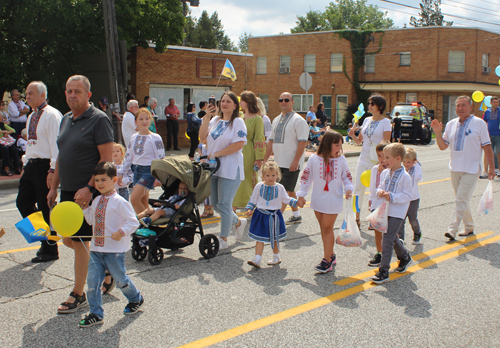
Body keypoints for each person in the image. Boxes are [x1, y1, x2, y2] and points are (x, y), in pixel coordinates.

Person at [47, 75, 114, 314]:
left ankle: (78, 293)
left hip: (88, 193)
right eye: (68, 91)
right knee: (68, 239)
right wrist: (54, 186)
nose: (72, 95)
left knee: (81, 243)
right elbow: (62, 156)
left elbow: (106, 158)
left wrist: (90, 187)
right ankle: (105, 269)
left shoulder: (99, 120)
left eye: (77, 91)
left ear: (88, 95)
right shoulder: (66, 119)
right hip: (67, 191)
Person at [78, 162, 143, 328]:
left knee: (121, 280)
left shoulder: (120, 202)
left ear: (114, 180)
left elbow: (133, 222)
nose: (99, 183)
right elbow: (91, 221)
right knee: (92, 283)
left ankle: (135, 298)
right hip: (96, 250)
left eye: (103, 180)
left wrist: (121, 232)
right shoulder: (96, 200)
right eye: (97, 180)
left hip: (114, 251)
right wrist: (85, 209)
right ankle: (96, 313)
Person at [431, 95, 495, 240]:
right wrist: (438, 133)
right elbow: (443, 146)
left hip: (472, 169)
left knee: (460, 199)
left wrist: (491, 167)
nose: (460, 108)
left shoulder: (479, 124)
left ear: (470, 107)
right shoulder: (451, 124)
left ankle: (452, 229)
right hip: (455, 168)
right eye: (458, 105)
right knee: (462, 200)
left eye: (463, 105)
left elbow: (487, 146)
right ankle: (469, 226)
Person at [16, 81, 62, 263]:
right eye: (26, 93)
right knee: (23, 203)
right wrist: (25, 163)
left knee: (45, 208)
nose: (27, 96)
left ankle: (50, 250)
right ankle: (43, 239)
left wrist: (53, 169)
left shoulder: (52, 115)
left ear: (43, 95)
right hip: (32, 165)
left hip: (45, 166)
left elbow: (56, 146)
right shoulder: (32, 116)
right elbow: (31, 144)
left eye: (31, 93)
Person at [296, 131, 354, 273]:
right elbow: (306, 177)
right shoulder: (314, 159)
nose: (339, 148)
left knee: (327, 228)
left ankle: (326, 260)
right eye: (336, 145)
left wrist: (349, 188)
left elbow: (346, 176)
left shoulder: (341, 160)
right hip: (318, 199)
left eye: (340, 145)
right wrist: (301, 194)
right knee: (323, 228)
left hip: (333, 199)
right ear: (327, 144)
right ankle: (331, 255)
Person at [199, 92, 248, 250]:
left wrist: (217, 154)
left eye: (228, 101)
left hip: (230, 169)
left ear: (235, 105)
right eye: (223, 101)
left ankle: (223, 238)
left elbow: (239, 144)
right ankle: (239, 222)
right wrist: (206, 117)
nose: (224, 103)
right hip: (214, 168)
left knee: (225, 205)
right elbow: (202, 138)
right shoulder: (215, 120)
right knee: (216, 204)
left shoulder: (238, 122)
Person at [264, 92, 309, 225]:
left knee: (285, 191)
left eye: (286, 100)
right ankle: (296, 215)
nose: (283, 102)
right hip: (278, 162)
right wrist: (265, 159)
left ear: (292, 102)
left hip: (291, 163)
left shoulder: (298, 120)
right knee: (289, 190)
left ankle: (275, 220)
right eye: (281, 100)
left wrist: (295, 161)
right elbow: (271, 141)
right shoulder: (276, 119)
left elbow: (302, 142)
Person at [370, 143, 413, 284]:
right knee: (392, 237)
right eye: (383, 157)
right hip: (385, 210)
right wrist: (380, 192)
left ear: (398, 159)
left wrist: (392, 196)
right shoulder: (384, 173)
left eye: (387, 157)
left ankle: (384, 270)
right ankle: (405, 257)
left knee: (387, 239)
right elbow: (380, 187)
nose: (384, 160)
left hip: (398, 212)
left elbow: (407, 195)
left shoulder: (405, 177)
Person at [348, 94, 392, 227]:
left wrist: (383, 162)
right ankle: (356, 218)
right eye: (369, 103)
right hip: (363, 158)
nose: (370, 106)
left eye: (373, 104)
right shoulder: (366, 120)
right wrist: (352, 135)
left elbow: (387, 143)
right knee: (358, 189)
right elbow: (359, 141)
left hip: (377, 161)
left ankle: (376, 218)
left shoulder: (386, 122)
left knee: (376, 190)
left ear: (381, 106)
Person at [245, 162, 298, 268]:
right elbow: (253, 198)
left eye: (273, 175)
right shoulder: (259, 186)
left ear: (277, 175)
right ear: (263, 176)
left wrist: (296, 202)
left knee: (274, 238)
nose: (270, 178)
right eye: (267, 175)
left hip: (274, 216)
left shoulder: (280, 187)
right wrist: (250, 208)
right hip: (261, 215)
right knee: (259, 239)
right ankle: (257, 260)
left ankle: (276, 257)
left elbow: (286, 199)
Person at [118, 108, 164, 214]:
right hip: (137, 170)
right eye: (141, 119)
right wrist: (121, 171)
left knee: (134, 199)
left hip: (149, 171)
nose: (144, 121)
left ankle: (145, 223)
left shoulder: (155, 138)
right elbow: (129, 156)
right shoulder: (134, 137)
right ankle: (151, 224)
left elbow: (160, 159)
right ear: (135, 122)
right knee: (143, 201)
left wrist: (159, 176)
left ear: (150, 120)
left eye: (147, 119)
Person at [233, 91, 266, 210]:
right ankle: (234, 206)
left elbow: (259, 139)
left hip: (249, 152)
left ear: (248, 102)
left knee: (247, 179)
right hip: (237, 151)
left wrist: (259, 159)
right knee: (236, 178)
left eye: (242, 100)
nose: (240, 102)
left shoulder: (257, 119)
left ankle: (252, 206)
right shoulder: (240, 117)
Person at [367, 141, 389, 267]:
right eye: (379, 156)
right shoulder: (375, 169)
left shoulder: (392, 170)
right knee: (377, 230)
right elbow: (372, 188)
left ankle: (391, 250)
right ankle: (379, 252)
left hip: (388, 205)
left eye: (385, 156)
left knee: (389, 231)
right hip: (377, 204)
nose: (382, 159)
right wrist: (371, 204)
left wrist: (383, 173)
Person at [397, 148, 423, 244]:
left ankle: (417, 233)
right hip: (403, 199)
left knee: (413, 219)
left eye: (409, 162)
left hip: (413, 199)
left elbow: (418, 177)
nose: (406, 164)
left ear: (414, 161)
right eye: (404, 161)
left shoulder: (415, 169)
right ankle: (401, 238)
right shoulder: (401, 169)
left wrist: (416, 165)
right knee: (401, 219)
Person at [480, 96, 500, 179]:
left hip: (498, 135)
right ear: (491, 103)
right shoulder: (487, 112)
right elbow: (484, 122)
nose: (496, 103)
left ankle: (498, 170)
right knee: (487, 153)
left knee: (499, 153)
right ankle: (485, 171)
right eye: (494, 102)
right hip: (488, 136)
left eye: (497, 102)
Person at [198, 140, 214, 218]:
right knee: (205, 190)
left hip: (211, 169)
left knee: (210, 191)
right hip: (204, 170)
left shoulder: (213, 146)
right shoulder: (201, 146)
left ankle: (209, 208)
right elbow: (200, 157)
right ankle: (207, 208)